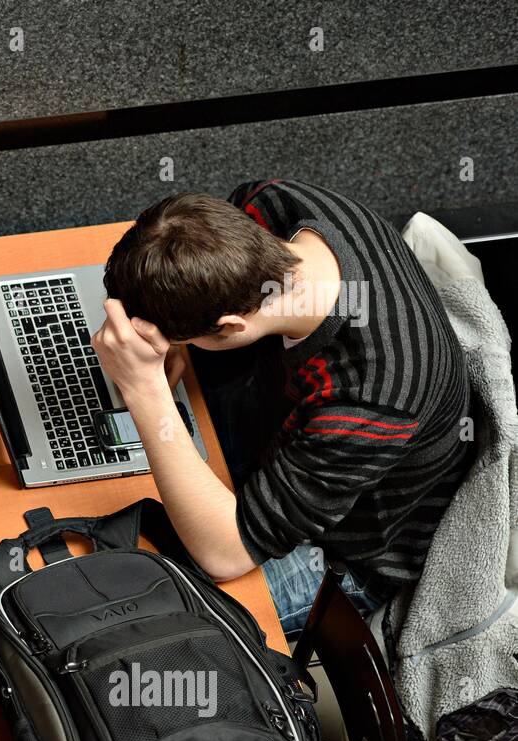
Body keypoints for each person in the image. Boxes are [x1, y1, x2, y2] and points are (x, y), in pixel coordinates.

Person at [93, 180, 470, 637]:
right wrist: (176, 341)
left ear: (231, 325)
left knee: (130, 628)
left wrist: (145, 391)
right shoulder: (274, 204)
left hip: (345, 551)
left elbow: (226, 553)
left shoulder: (371, 397)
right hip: (273, 423)